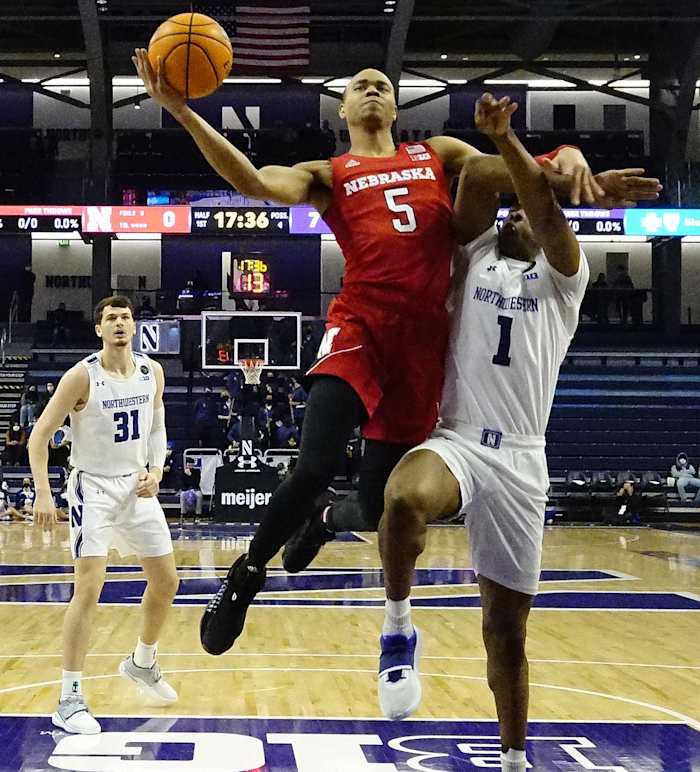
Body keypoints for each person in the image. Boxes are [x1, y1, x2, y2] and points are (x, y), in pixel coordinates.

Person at [134, 50, 658, 659]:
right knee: (314, 464)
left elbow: (496, 170)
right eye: (360, 85)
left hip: (423, 346)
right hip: (360, 326)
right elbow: (253, 180)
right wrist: (179, 110)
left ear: (397, 106)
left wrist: (564, 164)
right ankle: (246, 576)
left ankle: (325, 522)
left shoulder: (434, 153)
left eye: (382, 84)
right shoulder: (330, 172)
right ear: (345, 109)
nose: (373, 90)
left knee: (381, 509)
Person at [374, 95, 648, 772]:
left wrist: (544, 178)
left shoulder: (565, 278)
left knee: (506, 632)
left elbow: (548, 213)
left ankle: (514, 760)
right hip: (459, 440)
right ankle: (398, 627)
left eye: (531, 207)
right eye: (515, 205)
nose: (520, 212)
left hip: (523, 461)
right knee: (404, 497)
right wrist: (520, 150)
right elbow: (474, 180)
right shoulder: (471, 253)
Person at [28, 295, 179, 735]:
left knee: (168, 581)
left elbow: (157, 428)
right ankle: (69, 697)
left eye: (125, 317)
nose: (118, 323)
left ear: (135, 327)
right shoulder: (82, 376)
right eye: (110, 318)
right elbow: (39, 438)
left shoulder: (153, 372)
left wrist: (156, 470)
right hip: (92, 487)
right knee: (90, 588)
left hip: (136, 486)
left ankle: (142, 663)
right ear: (98, 329)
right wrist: (42, 493)